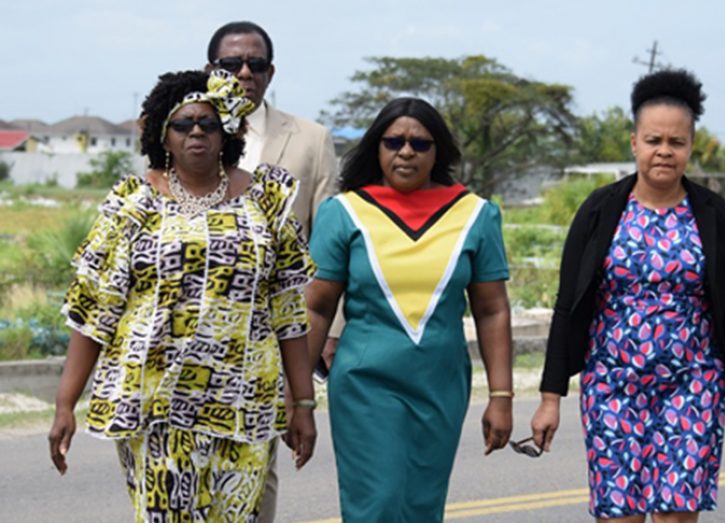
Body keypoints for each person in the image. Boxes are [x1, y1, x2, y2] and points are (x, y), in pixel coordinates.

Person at [47, 69, 317, 522]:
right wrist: (64, 404)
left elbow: (288, 312)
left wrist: (303, 403)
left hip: (245, 401)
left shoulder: (265, 201)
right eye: (183, 123)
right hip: (155, 401)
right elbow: (95, 310)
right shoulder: (133, 204)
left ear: (226, 132)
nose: (197, 132)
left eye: (208, 123)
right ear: (162, 134)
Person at [530, 69, 725, 523]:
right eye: (654, 139)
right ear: (634, 142)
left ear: (690, 147)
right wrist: (550, 396)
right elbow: (568, 305)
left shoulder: (713, 214)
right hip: (612, 386)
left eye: (676, 142)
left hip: (693, 386)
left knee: (676, 514)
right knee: (619, 514)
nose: (664, 151)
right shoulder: (599, 210)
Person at [304, 97, 514, 522]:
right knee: (376, 506)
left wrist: (502, 396)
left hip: (441, 383)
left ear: (438, 152)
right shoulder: (344, 212)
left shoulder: (475, 215)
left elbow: (492, 310)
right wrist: (299, 398)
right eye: (394, 141)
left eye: (420, 144)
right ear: (376, 148)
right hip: (366, 385)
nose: (405, 152)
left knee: (421, 507)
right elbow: (317, 306)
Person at [205, 22, 341, 522]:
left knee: (257, 461)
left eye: (255, 64)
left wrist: (330, 332)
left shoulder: (310, 139)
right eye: (231, 64)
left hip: (273, 330)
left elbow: (331, 242)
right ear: (210, 71)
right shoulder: (185, 131)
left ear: (270, 72)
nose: (244, 73)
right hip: (190, 333)